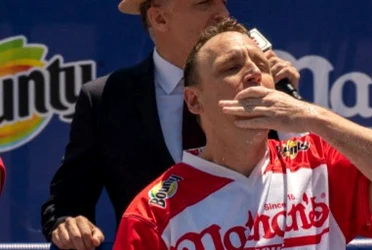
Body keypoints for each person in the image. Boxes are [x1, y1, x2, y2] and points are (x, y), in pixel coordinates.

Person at [112, 18, 372, 250]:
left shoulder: (317, 161)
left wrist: (313, 117)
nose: (253, 72)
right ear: (194, 100)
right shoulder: (154, 213)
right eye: (231, 67)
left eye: (261, 66)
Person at [41, 0, 301, 249]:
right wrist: (69, 225)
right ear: (160, 18)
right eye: (204, 3)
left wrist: (292, 111)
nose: (224, 13)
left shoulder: (260, 85)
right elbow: (67, 202)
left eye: (222, 1)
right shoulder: (106, 98)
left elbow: (308, 180)